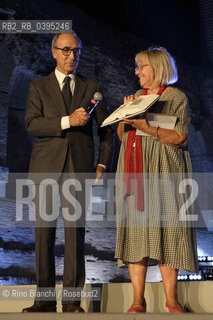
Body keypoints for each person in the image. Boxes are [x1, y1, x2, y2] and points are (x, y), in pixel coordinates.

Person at [22, 32, 113, 313]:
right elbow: (32, 124)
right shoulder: (38, 86)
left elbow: (106, 131)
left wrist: (101, 164)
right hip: (45, 169)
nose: (72, 56)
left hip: (79, 169)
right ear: (54, 52)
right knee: (44, 235)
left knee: (75, 236)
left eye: (76, 51)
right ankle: (45, 300)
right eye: (66, 50)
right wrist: (66, 120)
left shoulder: (92, 87)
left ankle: (72, 301)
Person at [115, 47, 198, 313]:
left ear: (157, 68)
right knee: (136, 232)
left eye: (141, 66)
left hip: (165, 171)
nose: (136, 71)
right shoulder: (137, 96)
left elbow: (180, 137)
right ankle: (138, 300)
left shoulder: (176, 97)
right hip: (134, 168)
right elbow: (122, 135)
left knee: (167, 230)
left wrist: (147, 127)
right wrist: (125, 113)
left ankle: (171, 300)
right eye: (137, 66)